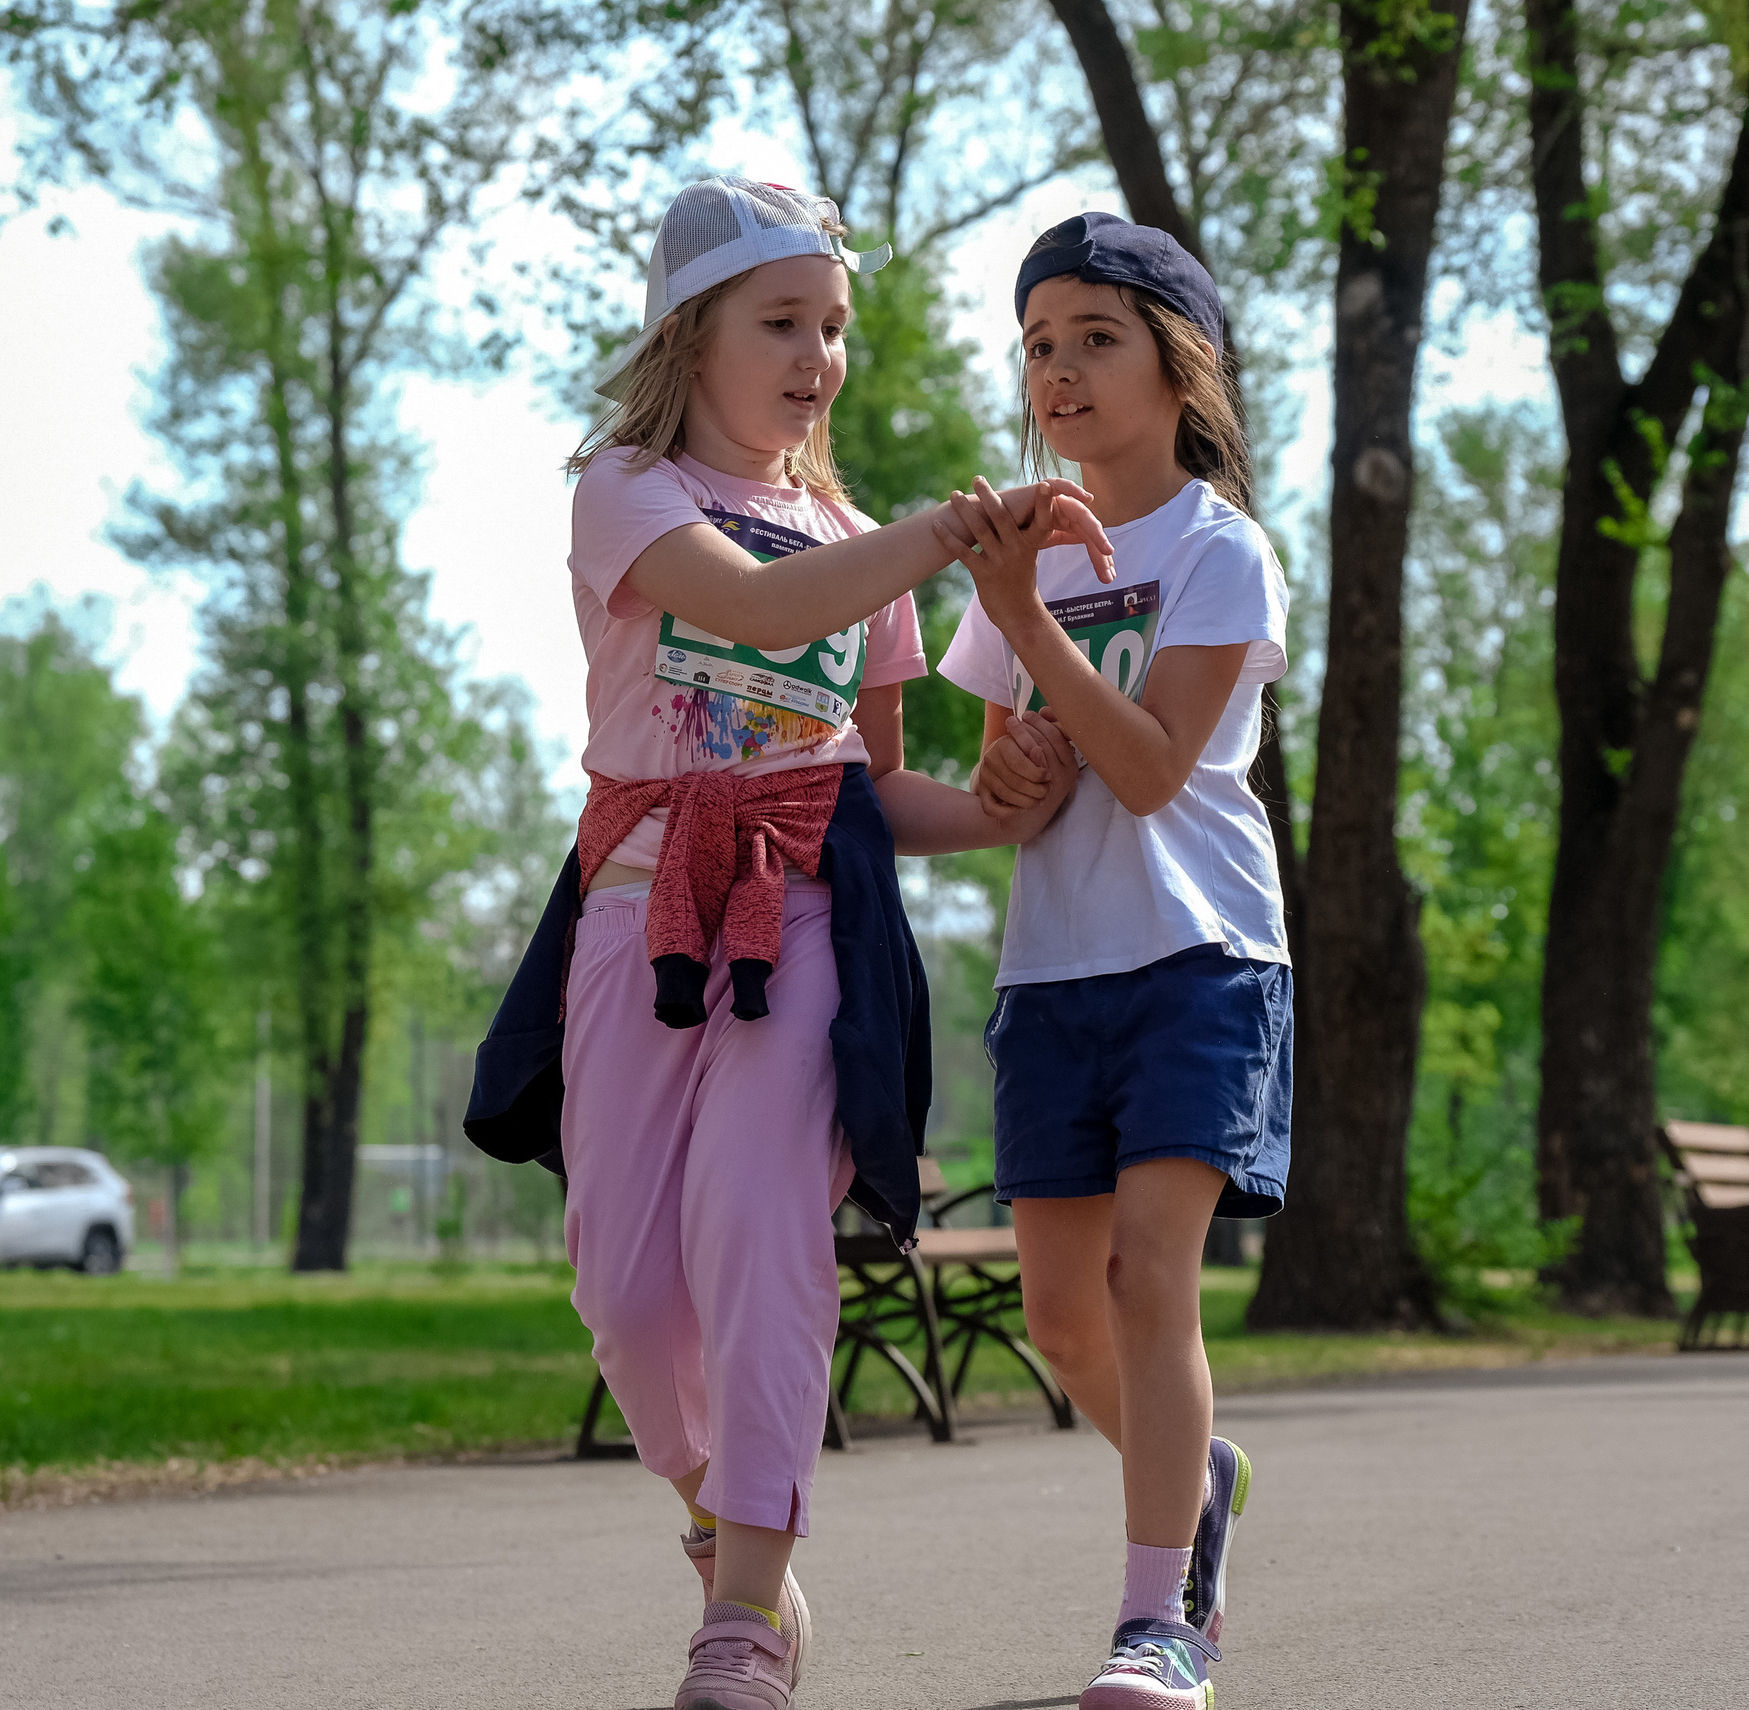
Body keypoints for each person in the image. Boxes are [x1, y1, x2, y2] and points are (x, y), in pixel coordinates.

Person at [463, 176, 1108, 1710]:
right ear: (693, 334)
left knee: (759, 1233)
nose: (819, 355)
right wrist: (946, 533)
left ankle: (743, 1616)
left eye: (835, 326)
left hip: (802, 925)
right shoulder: (628, 490)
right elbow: (754, 615)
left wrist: (1005, 803)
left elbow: (874, 789)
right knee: (623, 1288)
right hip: (635, 922)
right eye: (783, 321)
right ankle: (719, 1521)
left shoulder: (850, 536)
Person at [933, 212, 1291, 1710]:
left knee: (1154, 1277)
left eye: (1096, 338)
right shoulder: (1016, 551)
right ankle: (1191, 1468)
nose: (1061, 371)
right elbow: (1002, 779)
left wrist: (1030, 619)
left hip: (1201, 954)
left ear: (1176, 361)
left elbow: (1149, 769)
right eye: (1038, 345)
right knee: (1063, 1316)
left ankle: (1163, 1621)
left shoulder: (1219, 549)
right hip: (1053, 970)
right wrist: (1005, 776)